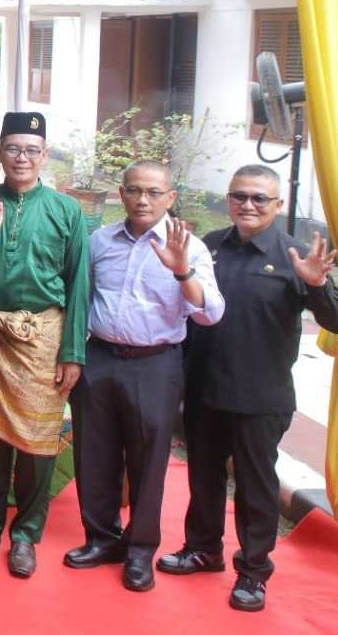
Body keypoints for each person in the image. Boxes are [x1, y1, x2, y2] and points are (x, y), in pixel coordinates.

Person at [159, 165, 338, 611]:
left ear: (278, 204)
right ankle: (203, 548)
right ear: (228, 199)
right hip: (205, 388)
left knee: (255, 486)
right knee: (203, 476)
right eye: (239, 196)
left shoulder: (296, 256)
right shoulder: (207, 246)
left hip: (260, 396)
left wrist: (317, 284)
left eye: (259, 199)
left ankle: (252, 571)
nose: (248, 205)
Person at [66, 160, 224, 592]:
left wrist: (182, 271)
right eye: (135, 190)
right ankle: (102, 539)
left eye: (154, 192)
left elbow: (211, 313)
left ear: (171, 197)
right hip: (99, 358)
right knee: (93, 455)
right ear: (121, 193)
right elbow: (80, 296)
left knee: (148, 462)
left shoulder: (189, 247)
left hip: (155, 363)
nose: (143, 200)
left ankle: (139, 551)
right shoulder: (100, 240)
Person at [0, 112, 91, 578]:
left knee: (38, 444)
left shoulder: (66, 210)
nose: (22, 158)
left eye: (31, 150)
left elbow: (78, 285)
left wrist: (72, 352)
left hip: (44, 339)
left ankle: (27, 534)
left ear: (44, 155)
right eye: (13, 148)